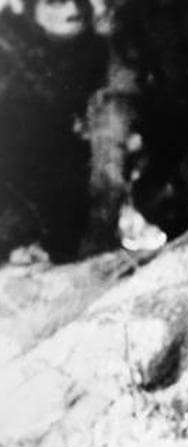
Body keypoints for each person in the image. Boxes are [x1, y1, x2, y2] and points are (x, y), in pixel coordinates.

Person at [0, 0, 106, 261]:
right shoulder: (6, 53)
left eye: (81, 0)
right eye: (55, 1)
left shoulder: (101, 50)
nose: (73, 10)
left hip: (70, 211)